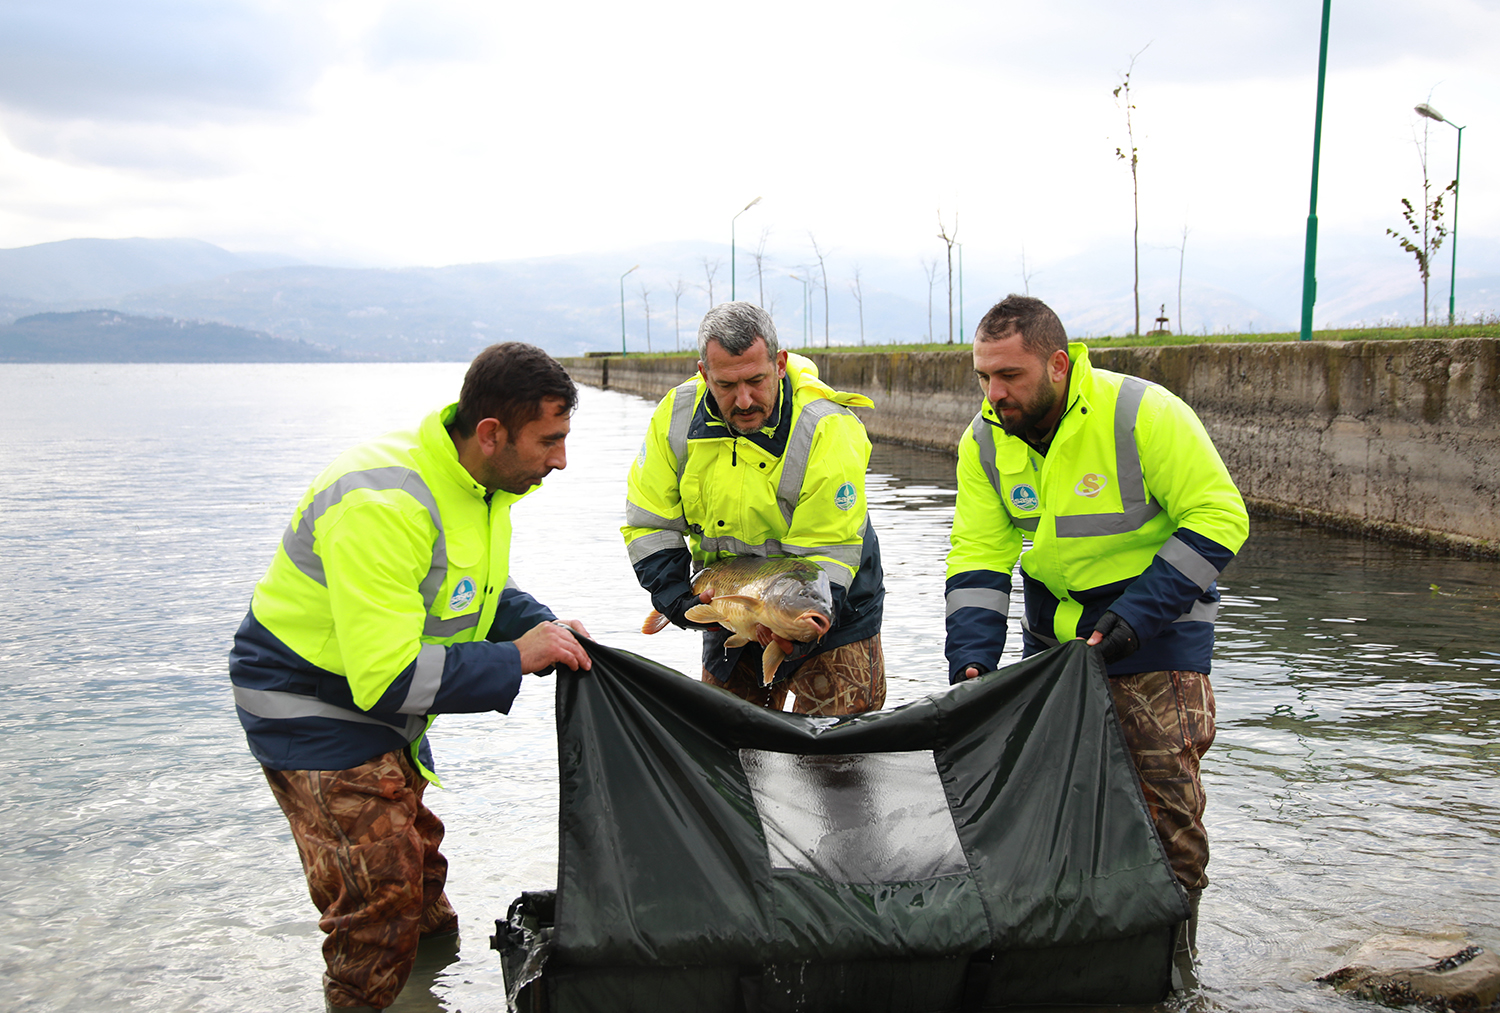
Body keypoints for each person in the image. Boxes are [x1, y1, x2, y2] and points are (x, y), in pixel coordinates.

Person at [228, 342, 592, 1012]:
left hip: (372, 705)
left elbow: (476, 590)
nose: (560, 460)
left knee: (421, 890)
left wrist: (542, 626)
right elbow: (389, 677)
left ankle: (429, 995)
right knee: (377, 909)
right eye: (550, 440)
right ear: (491, 433)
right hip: (308, 708)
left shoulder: (477, 484)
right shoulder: (386, 501)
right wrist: (518, 657)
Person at [944, 295, 1248, 983]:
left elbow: (1220, 517)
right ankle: (1067, 956)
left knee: (1165, 806)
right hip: (1052, 648)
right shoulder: (985, 439)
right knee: (1048, 801)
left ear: (1058, 362)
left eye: (1010, 375)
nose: (994, 393)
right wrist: (971, 659)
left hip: (1158, 634)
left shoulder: (1143, 413)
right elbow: (977, 557)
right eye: (983, 375)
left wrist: (1136, 617)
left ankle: (1173, 967)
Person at [623, 301, 886, 715]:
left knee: (838, 759)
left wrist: (793, 623)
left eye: (756, 380)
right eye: (726, 385)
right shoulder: (673, 417)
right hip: (733, 604)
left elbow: (829, 549)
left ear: (780, 364)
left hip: (829, 600)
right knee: (727, 747)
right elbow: (648, 522)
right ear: (703, 373)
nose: (744, 400)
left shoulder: (827, 427)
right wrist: (677, 599)